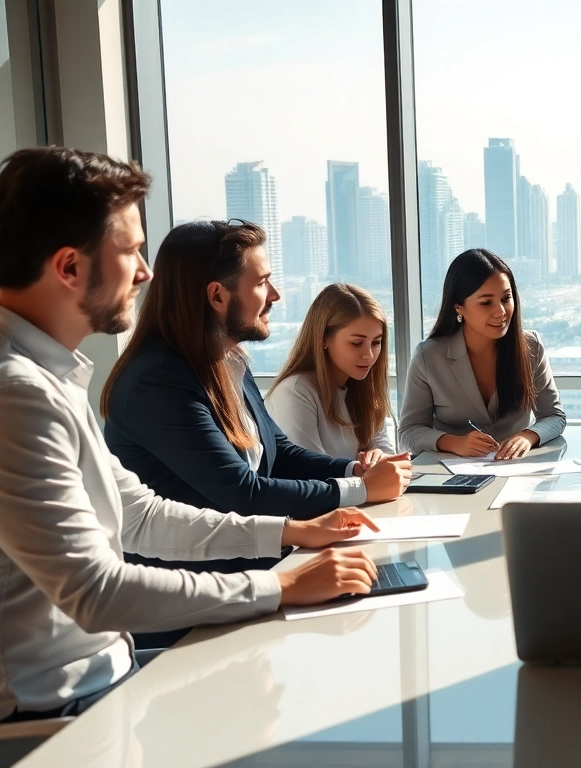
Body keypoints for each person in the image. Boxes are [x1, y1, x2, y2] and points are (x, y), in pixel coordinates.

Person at [0, 146, 380, 723]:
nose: (146, 271)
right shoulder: (17, 394)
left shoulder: (51, 377)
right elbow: (96, 591)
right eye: (129, 250)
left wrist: (294, 532)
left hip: (104, 677)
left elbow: (143, 516)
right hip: (56, 714)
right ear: (70, 267)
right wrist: (277, 588)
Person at [101, 220, 411, 574]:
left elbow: (280, 455)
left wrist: (355, 469)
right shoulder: (157, 382)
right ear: (217, 295)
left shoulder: (229, 361)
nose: (276, 295)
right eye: (262, 282)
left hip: (256, 567)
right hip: (196, 594)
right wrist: (359, 489)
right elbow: (240, 492)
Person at [400, 249, 565, 458]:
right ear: (459, 307)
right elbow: (408, 432)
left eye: (506, 298)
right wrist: (453, 442)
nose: (501, 311)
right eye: (486, 302)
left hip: (515, 470)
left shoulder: (531, 347)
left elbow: (554, 416)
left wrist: (528, 436)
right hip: (449, 472)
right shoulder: (428, 356)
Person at [266, 283, 396, 460]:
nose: (369, 355)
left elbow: (384, 449)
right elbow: (311, 473)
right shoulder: (295, 392)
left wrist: (378, 455)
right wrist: (366, 472)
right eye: (356, 343)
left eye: (376, 343)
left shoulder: (362, 389)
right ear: (324, 339)